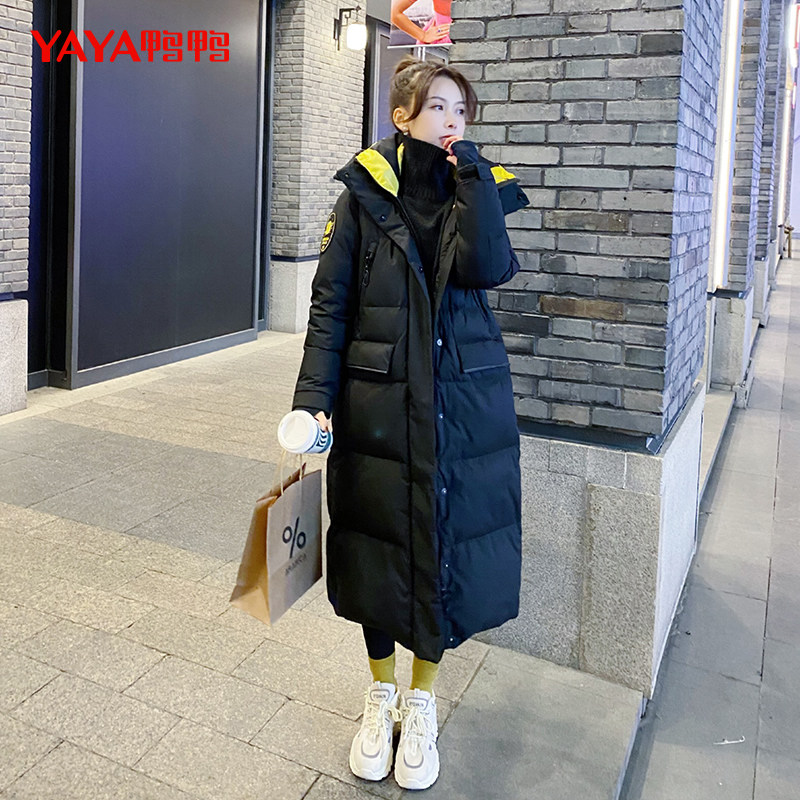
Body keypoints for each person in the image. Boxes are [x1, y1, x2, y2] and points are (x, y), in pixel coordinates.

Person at [291, 55, 529, 791]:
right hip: (378, 402)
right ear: (402, 117)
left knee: (442, 547)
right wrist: (311, 400)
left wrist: (473, 180)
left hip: (462, 401)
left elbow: (489, 268)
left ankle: (421, 703)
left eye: (462, 108)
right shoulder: (362, 196)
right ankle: (381, 695)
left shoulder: (478, 188)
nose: (453, 120)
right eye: (438, 107)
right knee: (378, 548)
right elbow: (331, 304)